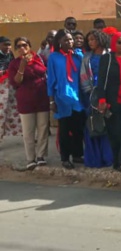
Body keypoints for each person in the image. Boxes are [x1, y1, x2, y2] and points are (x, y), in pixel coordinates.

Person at [8, 37, 49, 170]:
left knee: (43, 129)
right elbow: (16, 82)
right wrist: (22, 66)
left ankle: (41, 156)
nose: (22, 48)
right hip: (26, 101)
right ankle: (30, 158)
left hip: (42, 98)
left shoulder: (40, 58)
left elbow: (47, 73)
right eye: (18, 46)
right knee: (28, 132)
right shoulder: (14, 63)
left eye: (24, 45)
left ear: (29, 45)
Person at [97, 32, 121, 170]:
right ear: (114, 44)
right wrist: (102, 100)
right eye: (120, 42)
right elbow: (101, 81)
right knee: (116, 132)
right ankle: (118, 162)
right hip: (113, 101)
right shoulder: (106, 59)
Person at [46, 30, 85, 169]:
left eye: (70, 40)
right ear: (59, 42)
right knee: (64, 130)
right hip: (62, 97)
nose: (69, 42)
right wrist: (51, 100)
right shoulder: (54, 57)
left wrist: (79, 56)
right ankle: (65, 157)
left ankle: (77, 155)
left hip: (77, 97)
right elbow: (50, 79)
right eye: (66, 40)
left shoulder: (78, 55)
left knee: (78, 128)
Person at [80, 29, 113, 168]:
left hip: (109, 93)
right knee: (94, 124)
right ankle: (95, 159)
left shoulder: (110, 54)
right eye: (89, 40)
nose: (91, 42)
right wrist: (91, 93)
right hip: (93, 95)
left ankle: (109, 157)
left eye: (93, 39)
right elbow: (84, 77)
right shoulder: (87, 57)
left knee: (108, 125)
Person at [0, 36, 22, 139]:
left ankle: (24, 134)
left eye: (9, 45)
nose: (8, 47)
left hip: (11, 86)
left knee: (15, 110)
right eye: (5, 44)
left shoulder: (10, 54)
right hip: (1, 86)